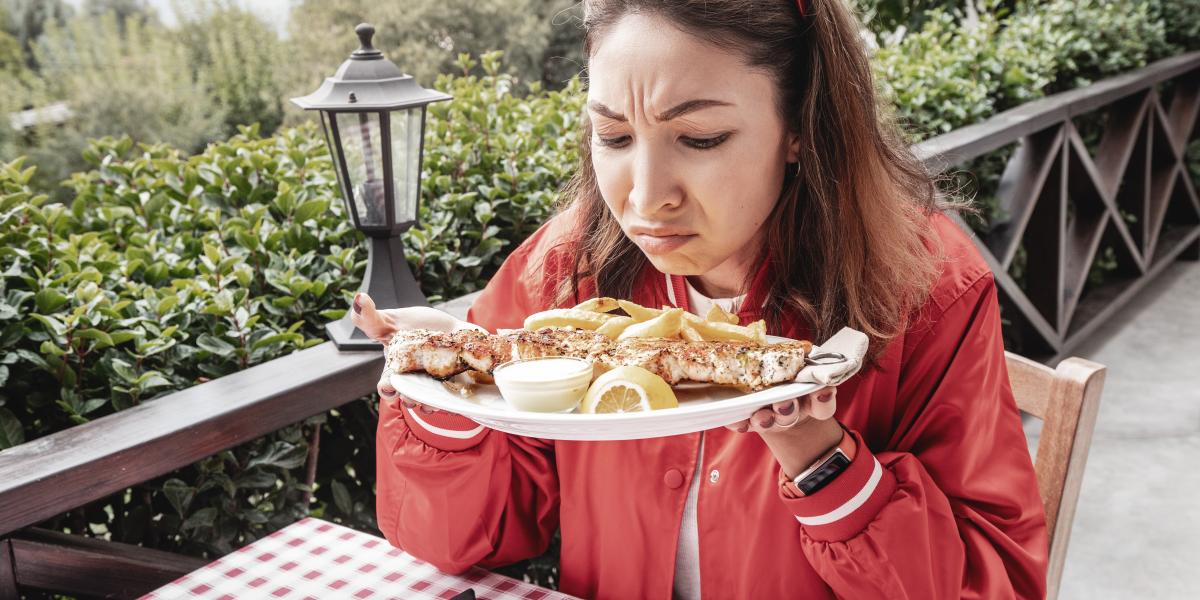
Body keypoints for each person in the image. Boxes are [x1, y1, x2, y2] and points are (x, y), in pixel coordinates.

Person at [352, 0, 1048, 598]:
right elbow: (456, 541)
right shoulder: (565, 270)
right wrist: (438, 388)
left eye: (700, 137)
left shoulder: (925, 290)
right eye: (614, 135)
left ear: (802, 123)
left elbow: (1000, 581)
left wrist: (821, 459)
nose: (647, 195)